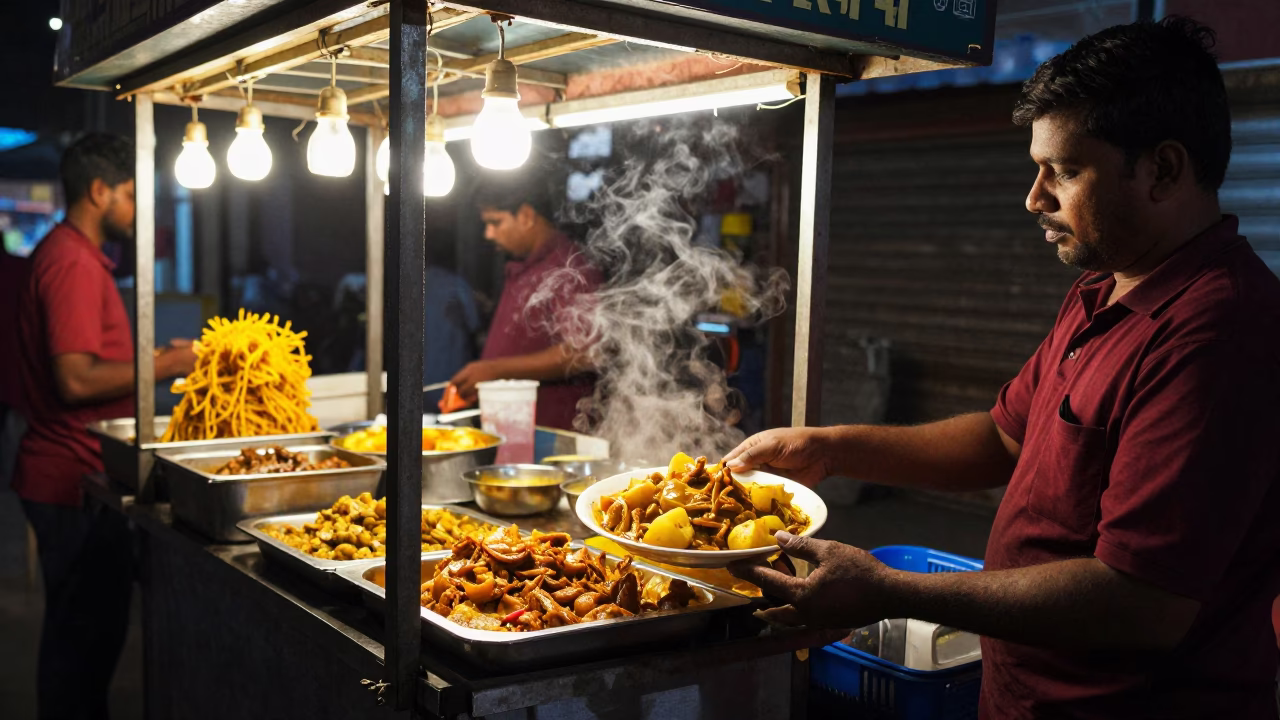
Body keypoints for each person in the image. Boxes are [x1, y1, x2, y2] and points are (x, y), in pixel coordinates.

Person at [725, 18, 1280, 719]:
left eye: (1066, 171)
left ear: (1163, 170)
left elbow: (1141, 602)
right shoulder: (1102, 290)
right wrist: (830, 447)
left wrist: (889, 589)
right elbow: (1001, 439)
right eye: (1036, 168)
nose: (1034, 199)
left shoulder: (1218, 334)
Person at [16, 133, 196, 719]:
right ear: (99, 192)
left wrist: (151, 358)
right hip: (72, 478)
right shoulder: (69, 260)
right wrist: (167, 364)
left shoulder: (72, 255)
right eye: (129, 194)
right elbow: (74, 379)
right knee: (81, 649)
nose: (135, 208)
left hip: (81, 473)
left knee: (86, 641)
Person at [449, 168, 601, 430]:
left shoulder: (568, 267)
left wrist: (495, 370)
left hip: (556, 436)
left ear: (527, 216)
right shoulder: (525, 266)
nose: (488, 234)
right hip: (514, 431)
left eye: (495, 222)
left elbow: (586, 350)